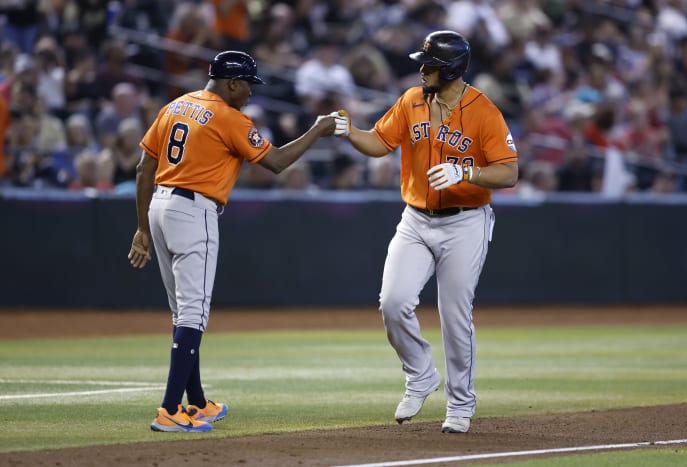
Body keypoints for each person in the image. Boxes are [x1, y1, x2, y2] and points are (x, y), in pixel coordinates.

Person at [127, 50, 335, 433]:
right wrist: (318, 130)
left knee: (183, 312)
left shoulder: (176, 105)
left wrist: (142, 228)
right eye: (248, 86)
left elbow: (144, 168)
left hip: (159, 206)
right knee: (194, 314)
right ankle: (170, 409)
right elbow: (275, 162)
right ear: (232, 83)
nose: (251, 94)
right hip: (194, 211)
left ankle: (199, 403)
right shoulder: (229, 117)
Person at [332, 30, 518, 433]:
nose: (421, 69)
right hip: (415, 219)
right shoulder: (412, 100)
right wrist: (350, 132)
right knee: (392, 302)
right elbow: (380, 142)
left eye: (429, 63)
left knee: (454, 314)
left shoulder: (483, 111)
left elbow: (509, 172)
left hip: (466, 220)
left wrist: (465, 171)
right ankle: (420, 373)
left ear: (450, 68)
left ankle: (461, 404)